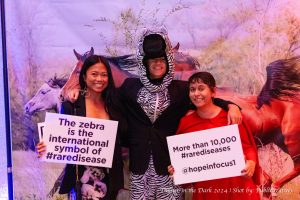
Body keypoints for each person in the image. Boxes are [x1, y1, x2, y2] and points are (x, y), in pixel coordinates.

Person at [66, 28, 242, 199]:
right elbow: (106, 97)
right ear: (145, 63)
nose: (157, 63)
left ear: (168, 62)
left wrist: (231, 106)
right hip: (138, 168)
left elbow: (204, 99)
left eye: (161, 59)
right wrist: (79, 91)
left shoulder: (180, 90)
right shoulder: (130, 86)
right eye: (152, 60)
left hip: (170, 168)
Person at [36, 55, 126, 200]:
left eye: (104, 75)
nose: (99, 79)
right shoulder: (71, 106)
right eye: (94, 74)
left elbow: (125, 137)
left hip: (110, 179)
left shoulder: (115, 106)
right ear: (84, 77)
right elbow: (58, 140)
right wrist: (44, 148)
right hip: (82, 180)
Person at [168, 71, 261, 200]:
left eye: (201, 89)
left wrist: (251, 162)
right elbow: (185, 164)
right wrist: (178, 170)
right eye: (192, 90)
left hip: (238, 188)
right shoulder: (186, 123)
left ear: (213, 91)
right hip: (207, 192)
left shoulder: (232, 117)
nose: (196, 94)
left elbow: (248, 147)